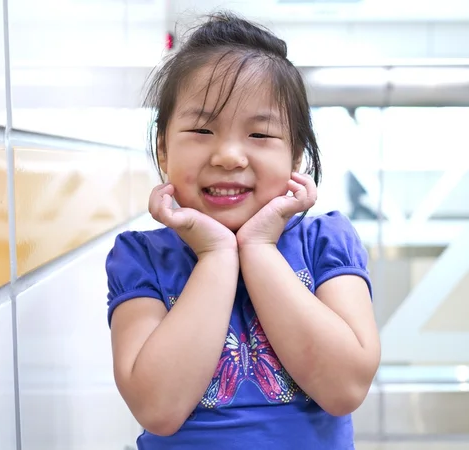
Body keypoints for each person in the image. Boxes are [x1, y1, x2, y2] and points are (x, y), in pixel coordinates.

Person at [105, 11, 380, 450]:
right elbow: (158, 408)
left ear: (295, 156)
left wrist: (259, 246)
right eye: (201, 129)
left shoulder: (326, 242)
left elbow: (344, 387)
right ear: (163, 146)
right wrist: (215, 255)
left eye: (260, 134)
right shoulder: (141, 259)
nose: (230, 155)